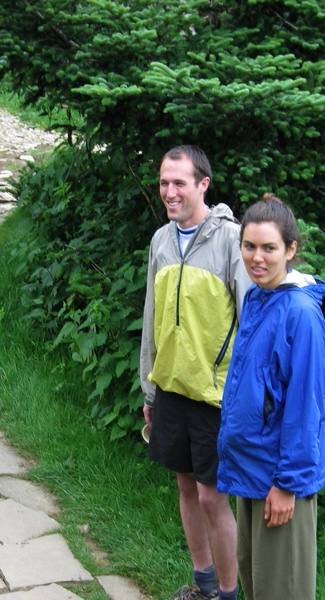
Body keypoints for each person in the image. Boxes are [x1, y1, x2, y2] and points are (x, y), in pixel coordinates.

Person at [140, 145, 251, 600]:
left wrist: (247, 397)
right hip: (170, 388)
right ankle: (203, 584)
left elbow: (249, 320)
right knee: (186, 487)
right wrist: (148, 390)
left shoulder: (230, 239)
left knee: (211, 495)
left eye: (179, 182)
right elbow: (151, 318)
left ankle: (228, 593)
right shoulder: (161, 241)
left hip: (214, 394)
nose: (169, 192)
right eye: (164, 182)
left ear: (203, 184)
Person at [216, 194, 325, 600]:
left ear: (291, 250)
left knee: (283, 592)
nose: (257, 258)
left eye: (269, 248)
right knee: (257, 587)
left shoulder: (300, 312)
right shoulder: (258, 297)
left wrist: (289, 485)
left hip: (279, 483)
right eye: (249, 246)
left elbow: (305, 407)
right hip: (252, 472)